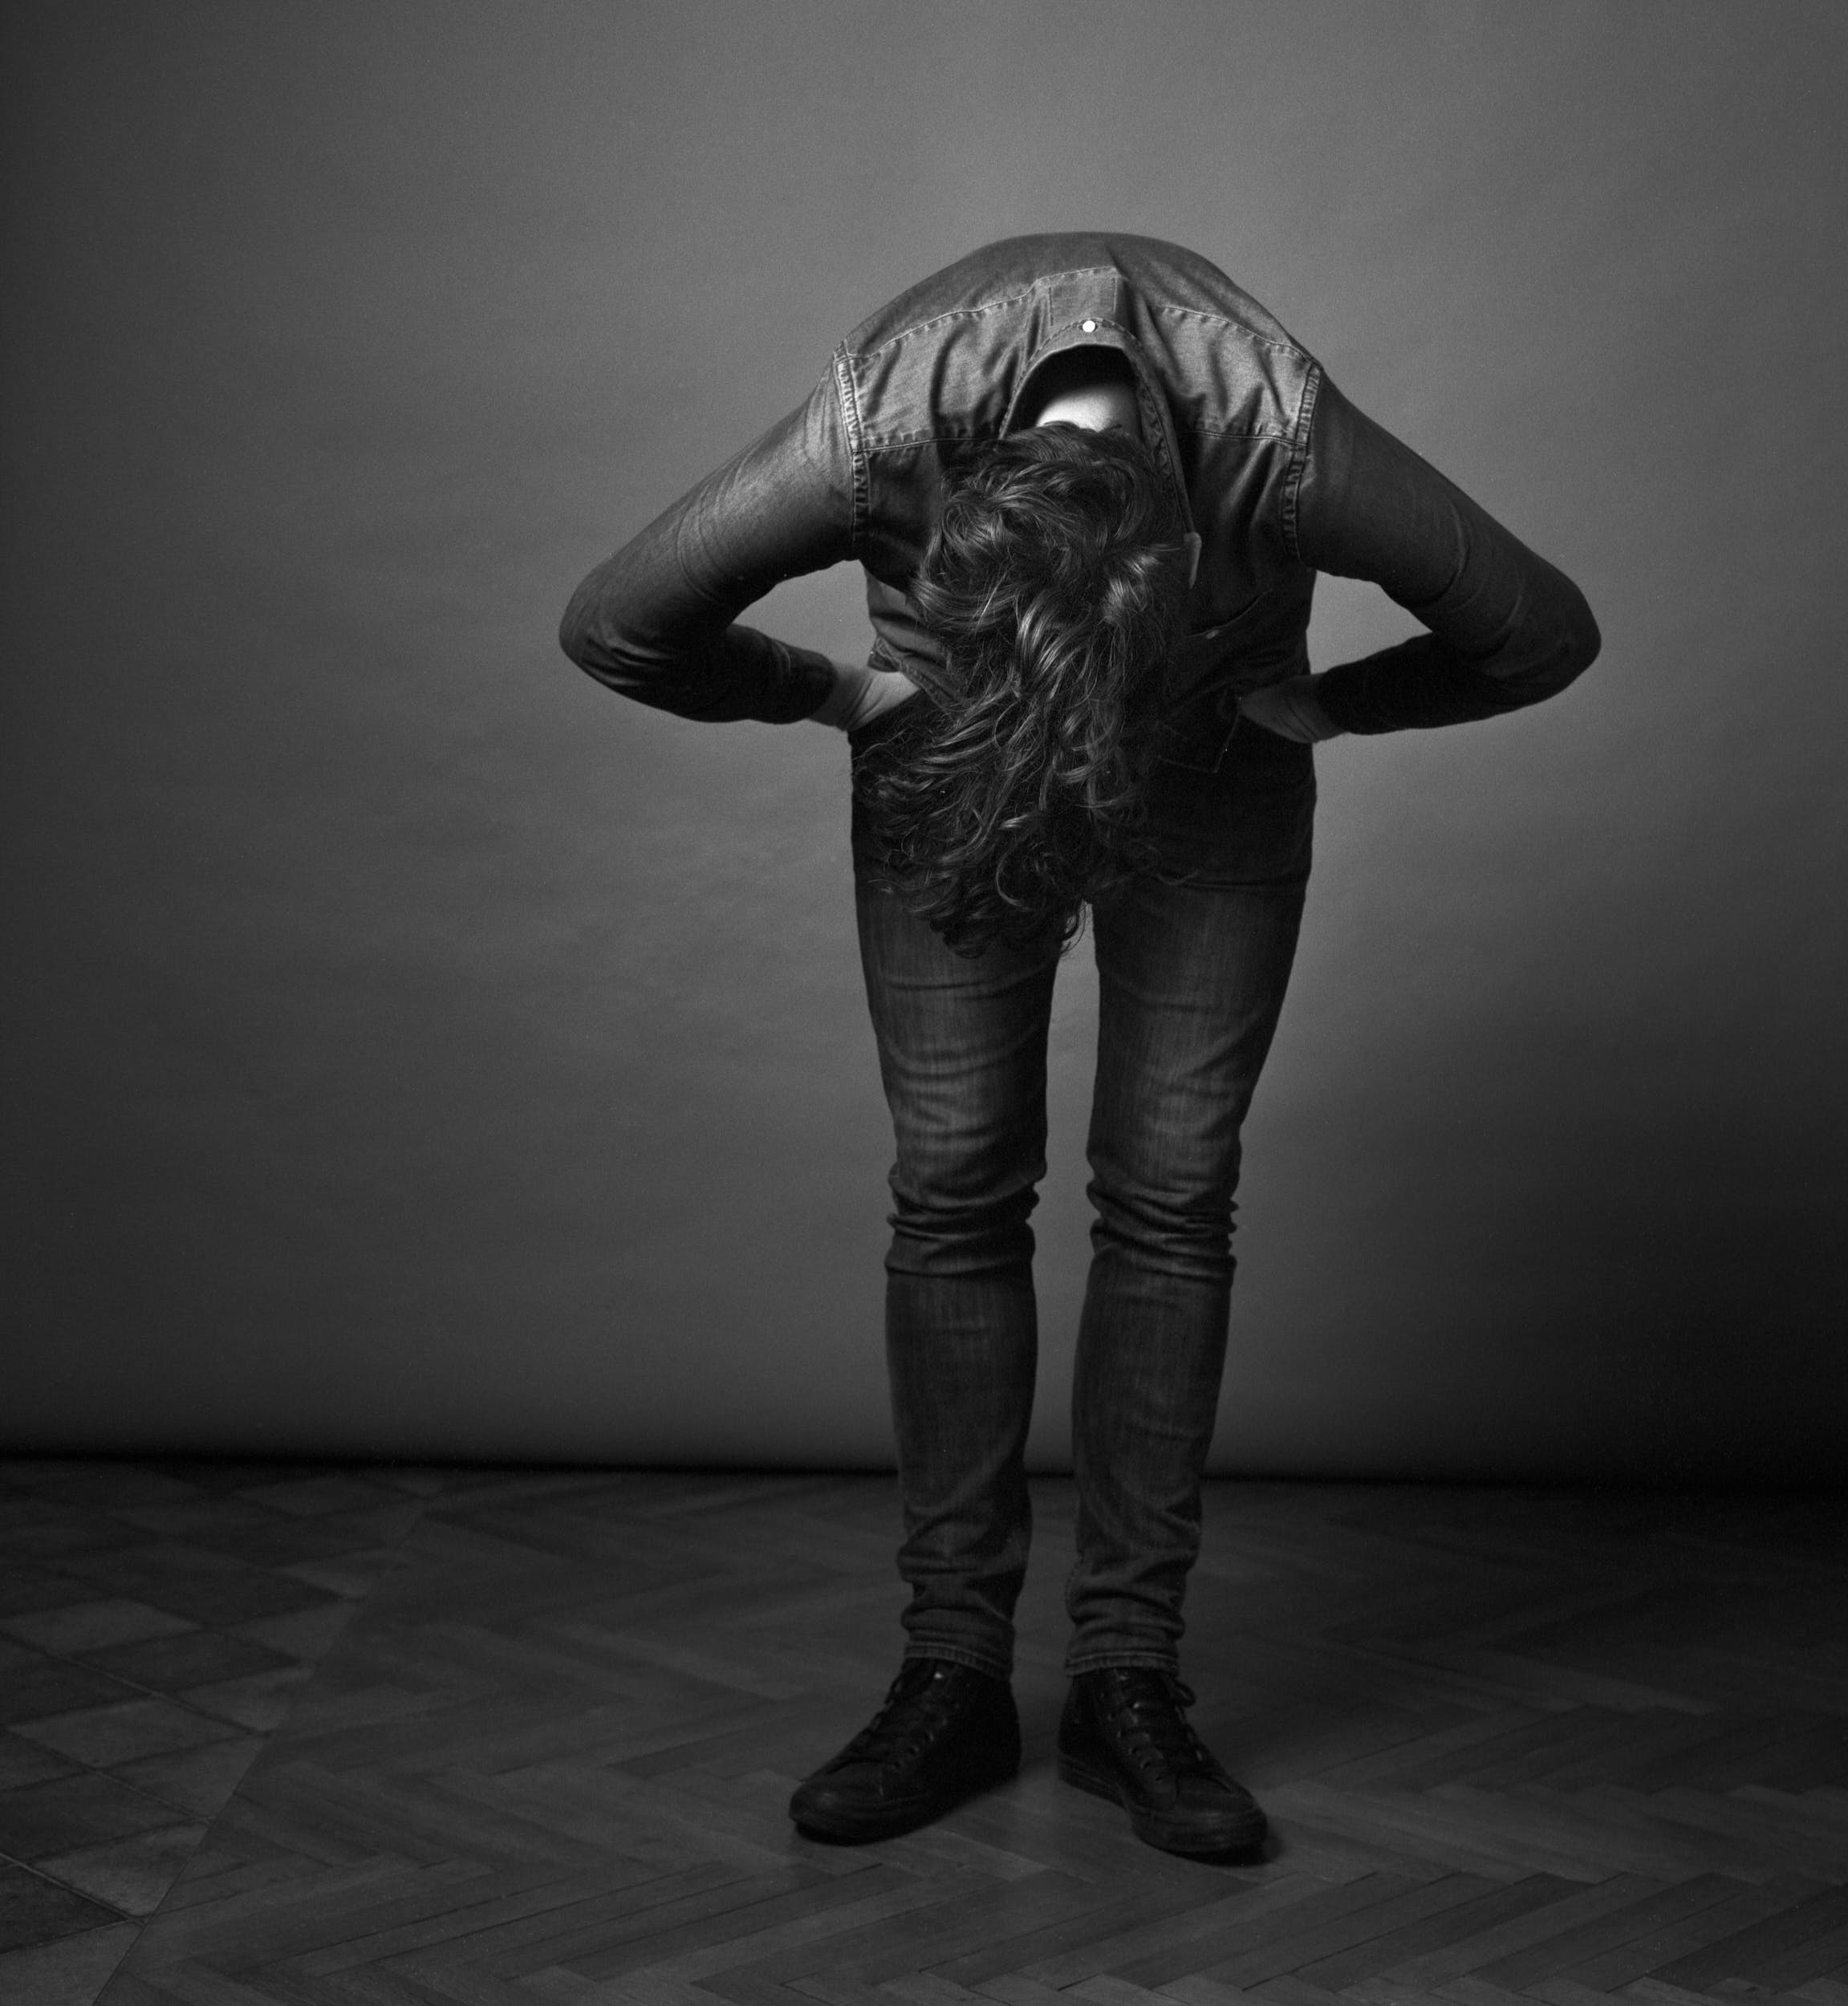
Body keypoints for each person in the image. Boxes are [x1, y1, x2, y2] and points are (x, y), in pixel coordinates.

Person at [560, 233, 1598, 1857]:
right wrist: (839, 696)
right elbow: (617, 620)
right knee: (955, 1179)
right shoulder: (877, 424)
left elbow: (1539, 628)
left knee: (1171, 1191)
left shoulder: (1277, 435)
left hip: (1208, 746)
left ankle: (1128, 1682)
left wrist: (1329, 709)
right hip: (954, 732)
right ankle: (948, 1670)